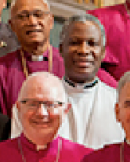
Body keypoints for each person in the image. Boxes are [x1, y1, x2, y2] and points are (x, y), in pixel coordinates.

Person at [38, 15, 124, 149]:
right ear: (61, 49)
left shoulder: (120, 103)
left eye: (92, 43)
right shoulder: (39, 101)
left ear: (103, 52)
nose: (84, 51)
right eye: (75, 43)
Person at [0, 0, 63, 114]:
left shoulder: (68, 64)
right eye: (23, 16)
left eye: (38, 14)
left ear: (51, 21)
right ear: (12, 26)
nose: (32, 22)